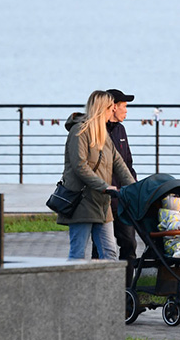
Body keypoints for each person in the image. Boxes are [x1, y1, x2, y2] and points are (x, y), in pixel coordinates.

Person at [58, 90, 136, 260]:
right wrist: (104, 186)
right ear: (102, 109)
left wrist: (135, 188)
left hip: (102, 203)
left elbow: (119, 163)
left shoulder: (104, 134)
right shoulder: (79, 131)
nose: (113, 111)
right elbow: (80, 166)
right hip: (83, 201)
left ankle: (109, 287)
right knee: (78, 253)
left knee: (110, 252)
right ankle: (74, 286)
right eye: (110, 108)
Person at [91, 88, 138, 263]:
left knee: (129, 245)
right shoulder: (95, 130)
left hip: (123, 201)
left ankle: (126, 287)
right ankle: (98, 285)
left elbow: (128, 164)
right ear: (113, 107)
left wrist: (135, 190)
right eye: (124, 106)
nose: (126, 110)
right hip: (102, 199)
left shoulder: (121, 130)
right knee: (101, 247)